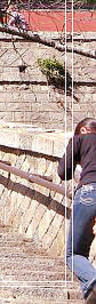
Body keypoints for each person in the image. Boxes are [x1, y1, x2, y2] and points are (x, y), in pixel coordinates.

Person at [59, 117, 96, 303]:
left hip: (89, 193)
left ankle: (93, 282)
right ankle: (90, 294)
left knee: (74, 254)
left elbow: (63, 172)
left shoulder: (79, 139)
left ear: (82, 130)